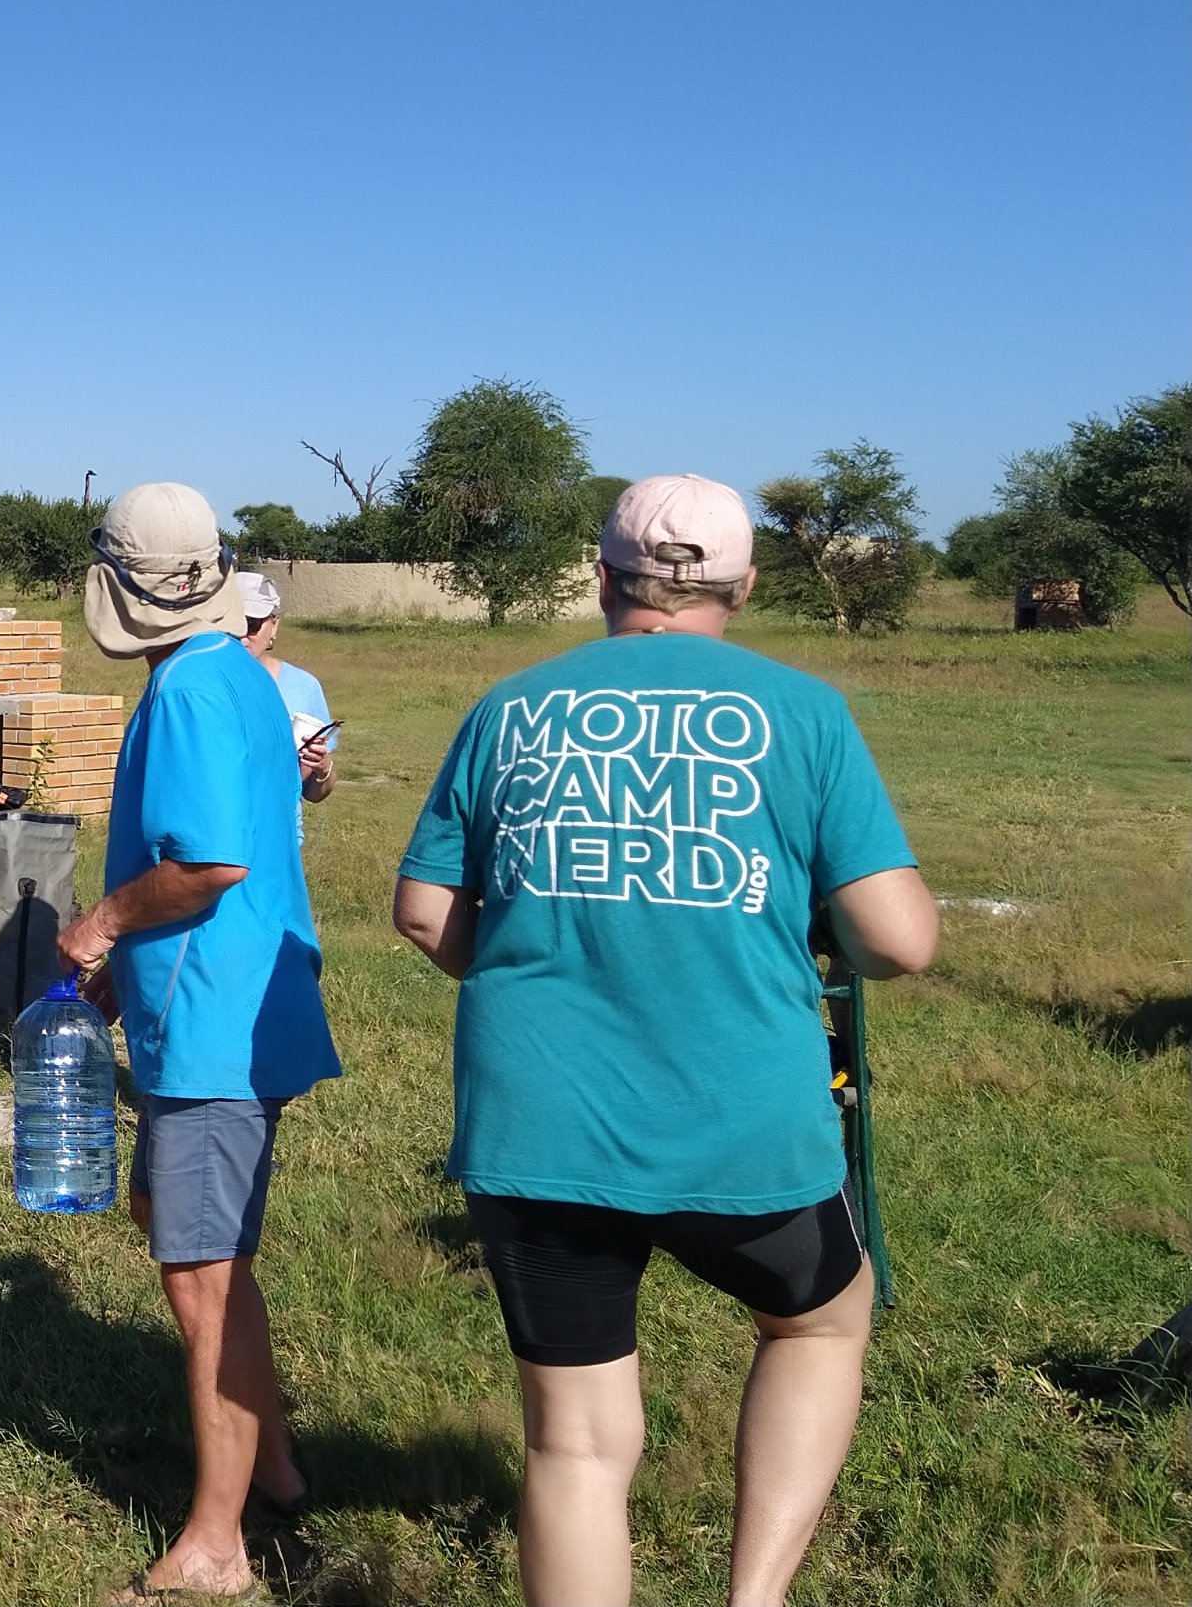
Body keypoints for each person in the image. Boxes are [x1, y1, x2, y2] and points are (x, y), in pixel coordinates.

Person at [390, 474, 939, 1607]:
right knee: (819, 1324)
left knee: (575, 1444)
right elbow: (900, 939)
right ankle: (755, 1597)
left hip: (538, 1118)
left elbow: (426, 913)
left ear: (602, 578)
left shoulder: (511, 706)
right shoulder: (804, 712)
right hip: (744, 1120)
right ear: (745, 586)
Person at [55, 484, 339, 1602]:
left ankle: (217, 1547)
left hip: (215, 1018)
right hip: (224, 1001)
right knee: (186, 1234)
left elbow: (210, 861)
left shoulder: (185, 687)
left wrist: (102, 923)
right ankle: (275, 1466)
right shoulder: (237, 672)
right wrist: (126, 966)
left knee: (202, 1279)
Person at [235, 571, 335, 805]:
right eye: (231, 625)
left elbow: (313, 793)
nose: (241, 637)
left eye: (251, 625)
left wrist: (321, 767)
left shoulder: (304, 687)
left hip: (280, 826)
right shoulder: (198, 686)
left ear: (274, 625)